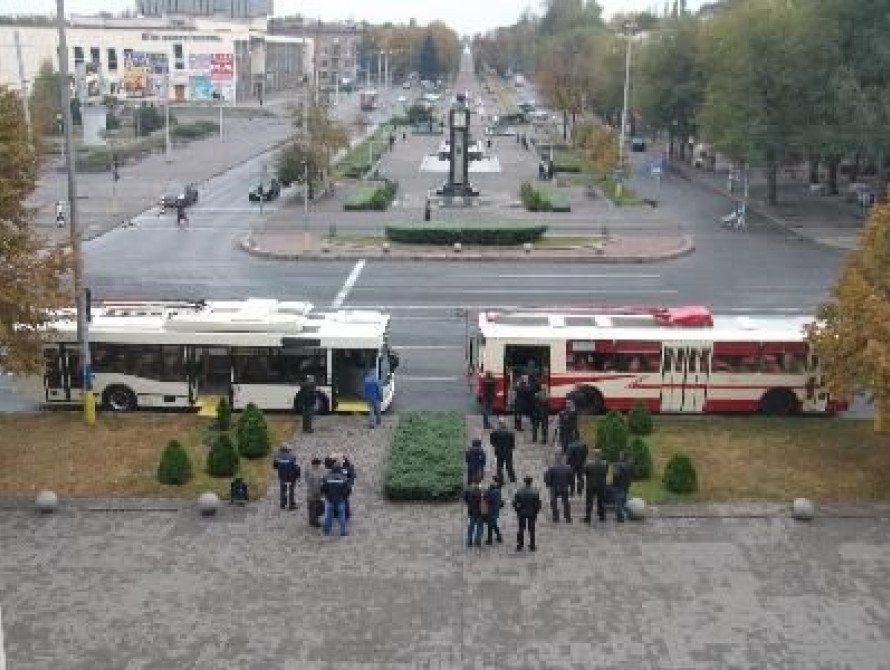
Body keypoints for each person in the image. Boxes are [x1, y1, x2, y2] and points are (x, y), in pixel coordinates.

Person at [321, 458, 351, 536]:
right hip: (340, 500)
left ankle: (327, 532)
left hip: (329, 499)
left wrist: (326, 495)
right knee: (342, 517)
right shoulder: (343, 478)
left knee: (328, 516)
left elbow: (323, 488)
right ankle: (343, 532)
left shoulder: (327, 477)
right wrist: (344, 497)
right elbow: (348, 490)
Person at [513, 475, 542, 552]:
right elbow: (538, 504)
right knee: (531, 529)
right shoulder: (535, 492)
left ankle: (520, 545)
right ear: (531, 482)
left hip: (522, 512)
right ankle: (532, 545)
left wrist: (517, 510)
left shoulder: (519, 491)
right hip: (531, 512)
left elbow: (514, 503)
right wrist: (536, 512)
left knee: (521, 529)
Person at [544, 456, 573, 523]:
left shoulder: (551, 468)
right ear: (562, 459)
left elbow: (547, 478)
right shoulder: (568, 467)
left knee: (553, 502)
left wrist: (549, 485)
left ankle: (555, 516)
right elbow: (571, 478)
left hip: (555, 487)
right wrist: (570, 486)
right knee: (566, 502)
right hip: (564, 487)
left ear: (555, 459)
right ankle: (568, 517)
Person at [272, 442, 301, 510]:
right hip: (291, 476)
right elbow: (295, 467)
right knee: (291, 490)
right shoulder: (292, 456)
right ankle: (291, 504)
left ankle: (282, 504)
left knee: (282, 490)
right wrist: (298, 475)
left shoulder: (277, 456)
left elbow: (275, 466)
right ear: (288, 449)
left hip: (282, 475)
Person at [583, 449, 609, 523]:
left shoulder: (588, 463)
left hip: (591, 485)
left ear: (593, 455)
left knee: (589, 501)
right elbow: (606, 473)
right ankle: (602, 516)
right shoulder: (605, 463)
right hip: (601, 485)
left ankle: (588, 517)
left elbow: (585, 472)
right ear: (601, 455)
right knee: (601, 501)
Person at [489, 419, 516, 484]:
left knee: (499, 466)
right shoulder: (510, 432)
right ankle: (512, 478)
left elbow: (492, 442)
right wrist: (510, 448)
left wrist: (496, 446)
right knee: (509, 465)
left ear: (499, 424)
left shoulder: (494, 432)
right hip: (508, 451)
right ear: (505, 424)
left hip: (499, 451)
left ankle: (500, 479)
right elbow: (512, 443)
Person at [611, 451, 633, 523]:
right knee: (623, 500)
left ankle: (620, 517)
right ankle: (624, 513)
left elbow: (616, 475)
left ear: (623, 457)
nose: (619, 456)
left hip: (618, 485)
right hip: (626, 485)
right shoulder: (629, 465)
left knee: (618, 502)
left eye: (620, 455)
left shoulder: (617, 465)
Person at [463, 481, 486, 548]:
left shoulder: (469, 492)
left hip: (472, 512)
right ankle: (478, 541)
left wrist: (468, 504)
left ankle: (469, 542)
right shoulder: (482, 492)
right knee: (479, 527)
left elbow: (464, 498)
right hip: (480, 513)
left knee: (471, 527)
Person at [304, 457, 325, 527]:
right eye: (317, 465)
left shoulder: (320, 470)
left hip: (317, 493)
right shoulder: (309, 471)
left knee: (318, 507)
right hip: (312, 492)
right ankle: (314, 521)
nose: (318, 466)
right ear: (314, 464)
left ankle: (313, 519)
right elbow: (309, 481)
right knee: (312, 507)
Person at [484, 476, 504, 545]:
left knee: (490, 525)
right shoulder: (498, 492)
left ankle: (490, 540)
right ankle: (499, 536)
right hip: (496, 510)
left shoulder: (491, 494)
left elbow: (486, 499)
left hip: (491, 511)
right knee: (494, 524)